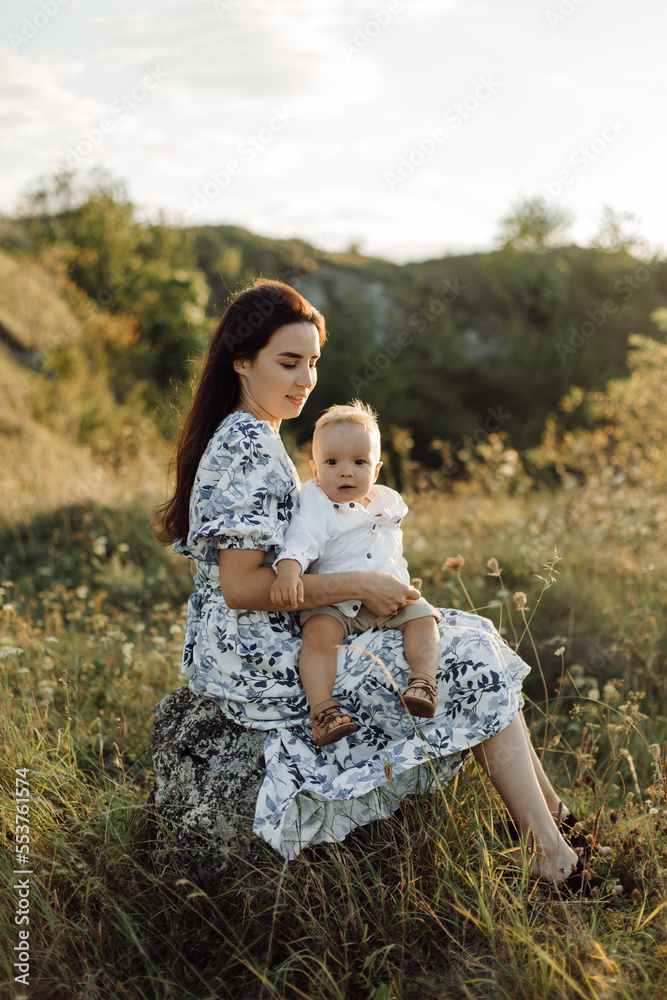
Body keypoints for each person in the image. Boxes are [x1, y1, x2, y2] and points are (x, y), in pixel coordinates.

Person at [156, 277, 591, 889]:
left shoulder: (260, 432)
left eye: (312, 362)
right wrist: (355, 584)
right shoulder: (246, 445)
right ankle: (553, 853)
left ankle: (559, 829)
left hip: (282, 628)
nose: (305, 379)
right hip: (258, 653)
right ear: (241, 361)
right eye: (288, 362)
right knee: (468, 655)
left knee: (468, 634)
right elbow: (242, 588)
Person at [270, 400, 442, 747]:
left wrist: (402, 589)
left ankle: (423, 681)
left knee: (425, 618)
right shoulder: (317, 501)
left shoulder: (387, 502)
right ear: (315, 470)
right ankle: (323, 711)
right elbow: (301, 540)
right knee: (317, 635)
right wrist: (288, 572)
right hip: (337, 603)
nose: (346, 472)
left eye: (359, 462)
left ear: (375, 470)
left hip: (388, 596)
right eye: (332, 462)